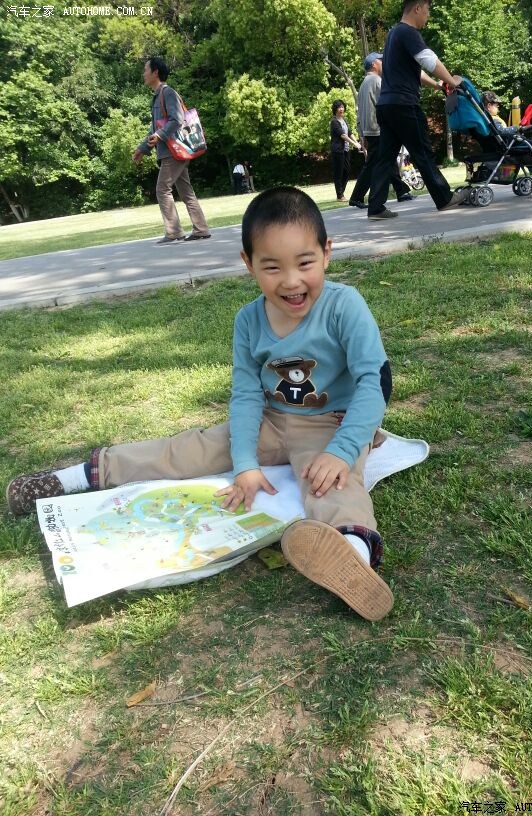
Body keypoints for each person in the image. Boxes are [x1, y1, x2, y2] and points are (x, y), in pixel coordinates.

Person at [6, 187, 395, 622]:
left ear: (326, 253)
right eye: (272, 267)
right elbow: (246, 395)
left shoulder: (344, 305)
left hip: (330, 424)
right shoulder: (248, 320)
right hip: (269, 420)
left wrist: (343, 449)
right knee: (185, 449)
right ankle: (72, 478)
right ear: (248, 263)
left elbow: (372, 381)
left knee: (331, 484)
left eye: (304, 263)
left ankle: (352, 557)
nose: (290, 281)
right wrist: (245, 464)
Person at [366, 0, 471, 220]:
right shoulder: (409, 32)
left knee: (385, 158)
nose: (428, 15)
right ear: (417, 8)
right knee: (422, 151)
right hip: (404, 105)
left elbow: (417, 70)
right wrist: (452, 81)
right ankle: (444, 198)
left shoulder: (394, 34)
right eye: (427, 10)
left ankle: (375, 207)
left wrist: (438, 85)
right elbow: (430, 61)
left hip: (386, 106)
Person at [132, 56, 210, 245]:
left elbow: (177, 119)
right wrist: (142, 148)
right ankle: (201, 229)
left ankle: (174, 232)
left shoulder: (168, 93)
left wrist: (160, 135)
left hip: (174, 151)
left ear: (155, 72)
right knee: (185, 191)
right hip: (173, 151)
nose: (143, 73)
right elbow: (155, 128)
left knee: (162, 189)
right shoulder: (157, 96)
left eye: (146, 70)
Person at [349, 52, 415, 209]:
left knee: (387, 160)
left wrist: (361, 133)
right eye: (381, 61)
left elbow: (360, 112)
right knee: (374, 164)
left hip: (370, 129)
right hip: (378, 129)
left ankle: (401, 191)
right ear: (373, 64)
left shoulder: (364, 84)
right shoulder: (377, 81)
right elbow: (386, 104)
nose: (384, 63)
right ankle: (357, 197)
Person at [480, 91, 532, 171]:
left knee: (526, 144)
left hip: (499, 146)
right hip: (506, 146)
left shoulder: (484, 119)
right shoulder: (492, 119)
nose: (498, 107)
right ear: (489, 106)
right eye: (496, 105)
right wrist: (516, 128)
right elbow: (501, 131)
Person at [330, 100, 361, 202]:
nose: (341, 109)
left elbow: (349, 133)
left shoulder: (344, 120)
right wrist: (354, 144)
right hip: (338, 151)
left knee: (347, 171)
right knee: (338, 173)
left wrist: (357, 142)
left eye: (342, 107)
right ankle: (340, 195)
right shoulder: (334, 122)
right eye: (339, 107)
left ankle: (341, 193)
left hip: (346, 150)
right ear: (335, 109)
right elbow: (343, 135)